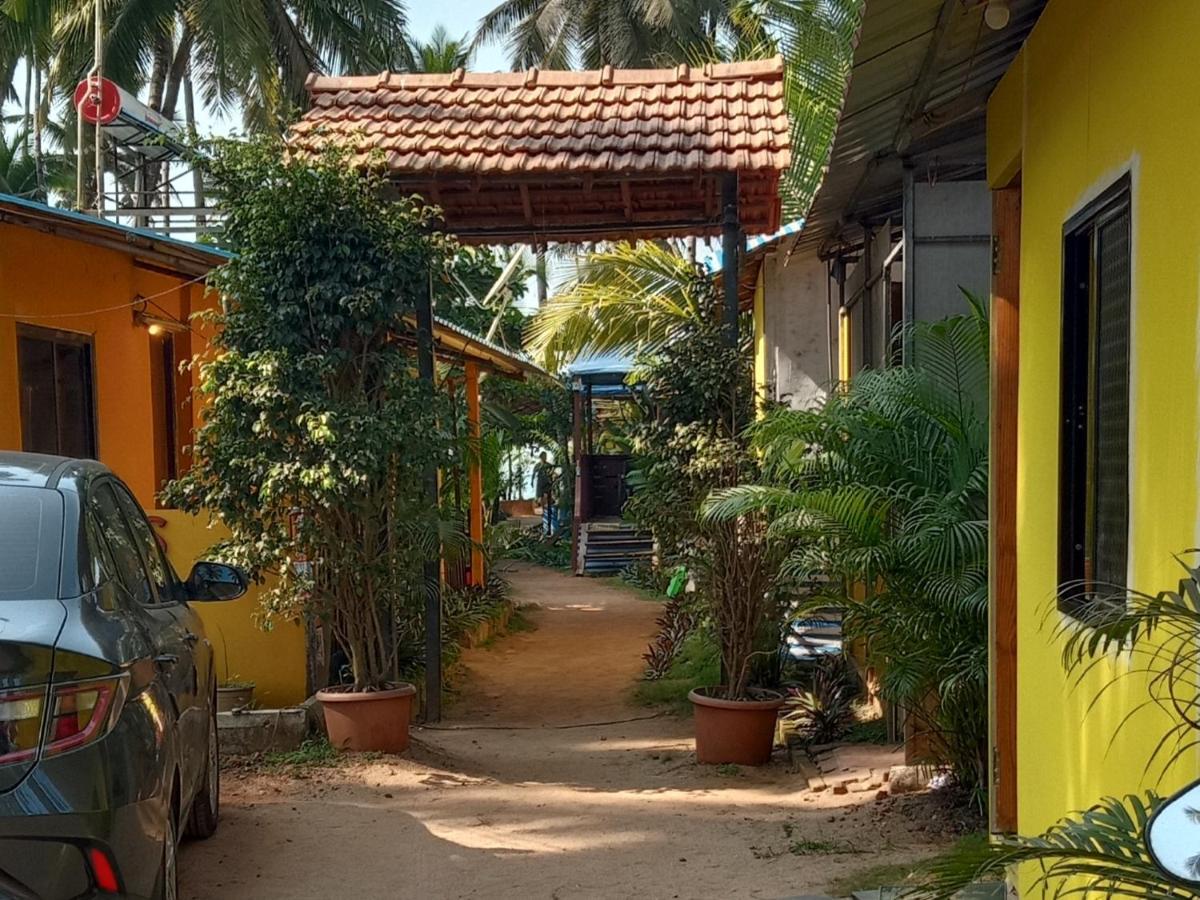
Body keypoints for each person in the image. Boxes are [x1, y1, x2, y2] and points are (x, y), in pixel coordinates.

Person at [534, 451, 557, 536]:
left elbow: (552, 472)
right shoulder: (538, 465)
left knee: (549, 499)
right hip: (540, 484)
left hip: (547, 484)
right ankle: (544, 513)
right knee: (541, 500)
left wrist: (551, 476)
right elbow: (534, 474)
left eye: (545, 456)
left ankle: (548, 514)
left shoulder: (548, 465)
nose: (544, 458)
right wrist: (532, 482)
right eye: (543, 456)